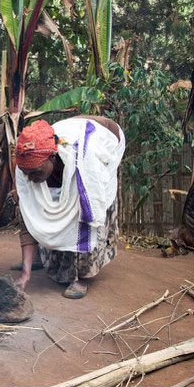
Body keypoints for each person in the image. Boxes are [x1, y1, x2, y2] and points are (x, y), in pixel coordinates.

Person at [13, 115, 125, 299]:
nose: (31, 178)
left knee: (84, 207)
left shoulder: (86, 162)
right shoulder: (25, 163)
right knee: (34, 204)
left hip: (107, 137)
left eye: (36, 172)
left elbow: (93, 213)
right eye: (27, 173)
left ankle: (82, 276)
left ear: (53, 157)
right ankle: (38, 258)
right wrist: (26, 274)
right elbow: (27, 215)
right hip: (67, 135)